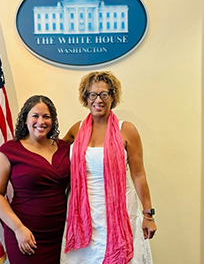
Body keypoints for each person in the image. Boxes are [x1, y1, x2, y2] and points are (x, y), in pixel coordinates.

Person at [60, 71, 157, 264]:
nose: (98, 100)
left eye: (104, 94)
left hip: (120, 211)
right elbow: (55, 158)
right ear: (85, 98)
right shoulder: (76, 130)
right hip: (81, 213)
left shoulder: (126, 130)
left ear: (113, 97)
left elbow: (138, 175)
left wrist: (148, 214)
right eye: (92, 95)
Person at [0, 95, 70, 264]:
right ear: (25, 119)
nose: (41, 121)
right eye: (35, 116)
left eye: (46, 116)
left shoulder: (64, 148)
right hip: (25, 235)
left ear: (53, 121)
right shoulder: (9, 150)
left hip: (60, 235)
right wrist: (18, 229)